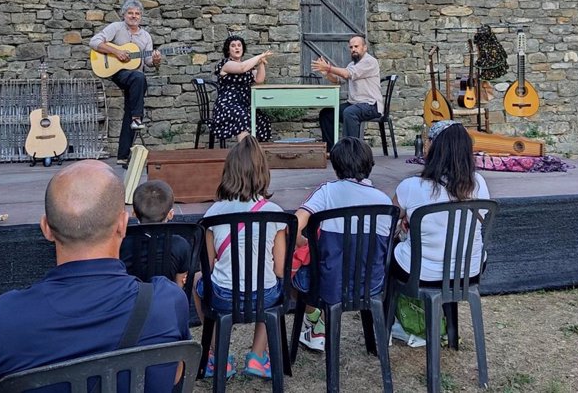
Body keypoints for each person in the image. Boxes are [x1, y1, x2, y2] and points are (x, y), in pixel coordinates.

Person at [0, 160, 190, 391]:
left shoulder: (7, 315)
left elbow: (4, 381)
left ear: (46, 228)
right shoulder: (166, 301)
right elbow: (176, 375)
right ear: (123, 225)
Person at [193, 135, 287, 379]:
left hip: (223, 295)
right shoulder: (275, 213)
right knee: (273, 287)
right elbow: (280, 269)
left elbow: (210, 265)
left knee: (197, 281)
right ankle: (257, 356)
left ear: (229, 171)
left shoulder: (214, 212)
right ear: (263, 172)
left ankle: (218, 355)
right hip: (264, 297)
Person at [390, 120, 490, 347]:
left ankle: (392, 322)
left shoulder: (411, 186)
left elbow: (389, 223)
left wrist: (408, 223)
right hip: (470, 271)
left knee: (389, 252)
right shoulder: (478, 183)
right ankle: (449, 329)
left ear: (434, 148)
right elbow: (482, 216)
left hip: (421, 273)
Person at [292, 137, 393, 352]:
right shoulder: (384, 201)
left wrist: (303, 242)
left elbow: (294, 226)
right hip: (371, 285)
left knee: (295, 271)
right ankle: (318, 326)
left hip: (327, 284)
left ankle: (315, 320)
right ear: (370, 165)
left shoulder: (327, 192)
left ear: (336, 167)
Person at [89, 0, 162, 165]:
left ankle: (123, 155)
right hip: (118, 72)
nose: (133, 16)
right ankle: (138, 117)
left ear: (141, 16)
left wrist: (156, 61)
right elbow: (94, 42)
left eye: (137, 13)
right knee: (139, 78)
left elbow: (149, 62)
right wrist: (116, 51)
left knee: (131, 105)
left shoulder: (145, 36)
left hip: (136, 78)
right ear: (124, 14)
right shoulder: (116, 27)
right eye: (130, 13)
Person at [312, 35, 383, 151]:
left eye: (356, 46)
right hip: (354, 104)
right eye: (351, 47)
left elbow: (347, 74)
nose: (353, 49)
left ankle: (350, 152)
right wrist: (326, 72)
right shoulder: (352, 65)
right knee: (326, 114)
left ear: (365, 48)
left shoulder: (370, 62)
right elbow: (338, 80)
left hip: (371, 105)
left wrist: (329, 67)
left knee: (349, 112)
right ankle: (332, 151)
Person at [126, 180, 191, 288]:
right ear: (170, 214)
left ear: (133, 213)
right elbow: (179, 285)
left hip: (131, 302)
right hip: (168, 302)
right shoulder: (180, 245)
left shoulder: (123, 243)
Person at [209, 35, 273, 142]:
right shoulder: (226, 64)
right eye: (233, 46)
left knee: (262, 119)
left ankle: (255, 152)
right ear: (228, 50)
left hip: (244, 104)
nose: (237, 48)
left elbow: (259, 79)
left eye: (239, 45)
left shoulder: (248, 66)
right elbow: (241, 68)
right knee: (242, 117)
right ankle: (245, 153)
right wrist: (258, 56)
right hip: (228, 104)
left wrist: (261, 62)